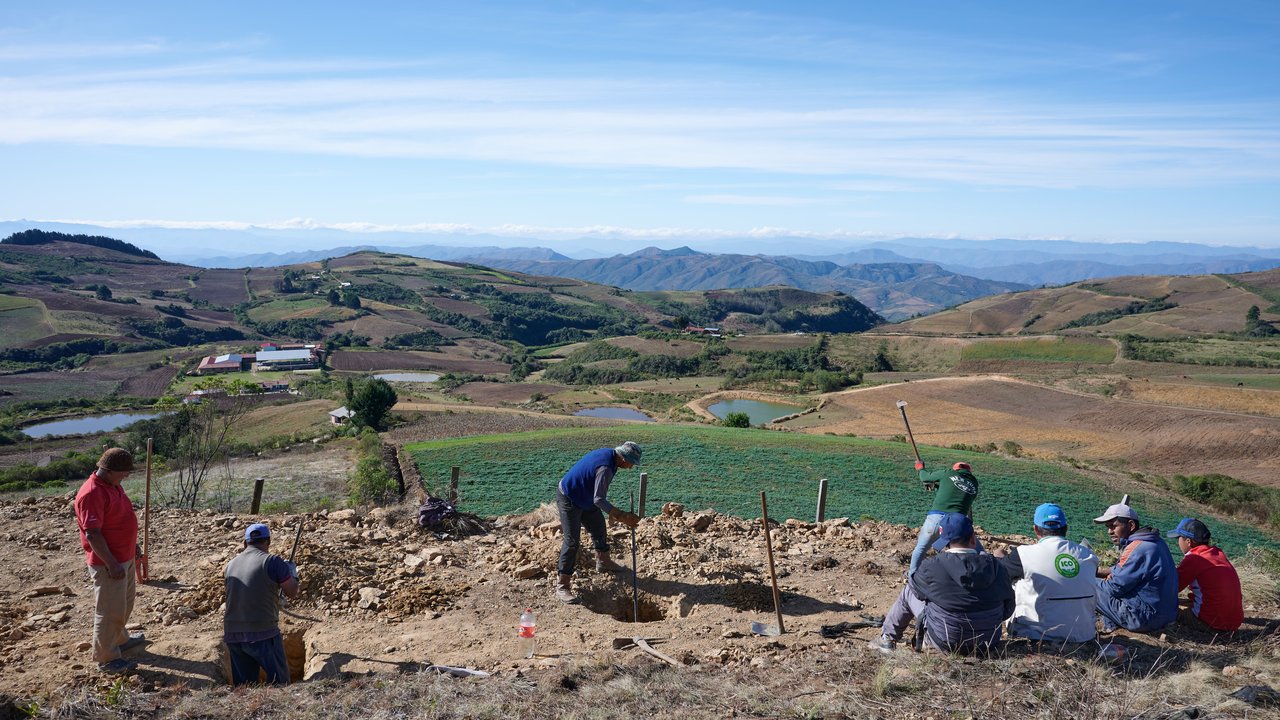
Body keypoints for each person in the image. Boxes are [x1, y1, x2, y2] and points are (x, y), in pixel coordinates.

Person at [870, 512, 1014, 654]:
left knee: (909, 590)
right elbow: (1009, 607)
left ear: (946, 543)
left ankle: (887, 639)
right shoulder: (996, 567)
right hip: (988, 643)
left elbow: (917, 591)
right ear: (973, 539)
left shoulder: (932, 566)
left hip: (944, 642)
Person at [74, 448, 145, 674]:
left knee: (124, 603)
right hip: (109, 562)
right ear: (109, 470)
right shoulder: (92, 493)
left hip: (124, 557)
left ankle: (120, 639)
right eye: (124, 472)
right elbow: (93, 534)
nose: (126, 476)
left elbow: (119, 519)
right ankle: (107, 658)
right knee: (109, 609)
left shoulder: (113, 485)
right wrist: (112, 563)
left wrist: (132, 545)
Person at [996, 503, 1099, 644]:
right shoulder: (1089, 555)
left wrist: (998, 557)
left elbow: (997, 574)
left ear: (1036, 529)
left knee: (1017, 580)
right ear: (1066, 529)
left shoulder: (1023, 554)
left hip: (1035, 634)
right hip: (1084, 634)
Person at [554, 441, 643, 604]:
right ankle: (562, 586)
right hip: (569, 498)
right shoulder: (606, 468)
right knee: (572, 542)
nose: (631, 467)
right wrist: (619, 515)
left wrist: (611, 512)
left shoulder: (611, 455)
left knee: (599, 528)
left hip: (586, 498)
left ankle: (603, 562)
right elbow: (599, 499)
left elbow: (596, 496)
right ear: (623, 459)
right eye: (631, 463)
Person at [224, 523, 301, 685]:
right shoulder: (273, 561)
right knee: (281, 685)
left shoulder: (230, 565)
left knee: (245, 688)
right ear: (268, 542)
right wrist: (292, 572)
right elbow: (292, 592)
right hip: (263, 633)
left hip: (233, 635)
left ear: (245, 543)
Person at [1093, 503, 1179, 633]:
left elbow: (1113, 588)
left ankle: (1110, 626)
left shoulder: (1137, 548)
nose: (1109, 531)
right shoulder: (1156, 542)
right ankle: (1110, 623)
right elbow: (1128, 571)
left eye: (1113, 526)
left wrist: (1088, 575)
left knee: (1088, 584)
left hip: (1145, 618)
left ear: (1131, 525)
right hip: (1167, 615)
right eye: (1108, 527)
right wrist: (1100, 572)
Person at [1167, 518, 1243, 632]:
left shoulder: (1194, 558)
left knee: (1168, 609)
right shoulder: (1217, 553)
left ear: (1188, 541)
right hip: (1234, 622)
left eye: (1178, 538)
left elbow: (1172, 587)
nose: (1178, 542)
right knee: (1187, 601)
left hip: (1211, 623)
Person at [908, 461, 980, 577]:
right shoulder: (974, 485)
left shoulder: (948, 473)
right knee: (959, 550)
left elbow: (925, 477)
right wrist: (935, 486)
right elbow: (955, 493)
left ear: (956, 469)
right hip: (957, 523)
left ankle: (912, 576)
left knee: (921, 547)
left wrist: (920, 468)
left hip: (937, 517)